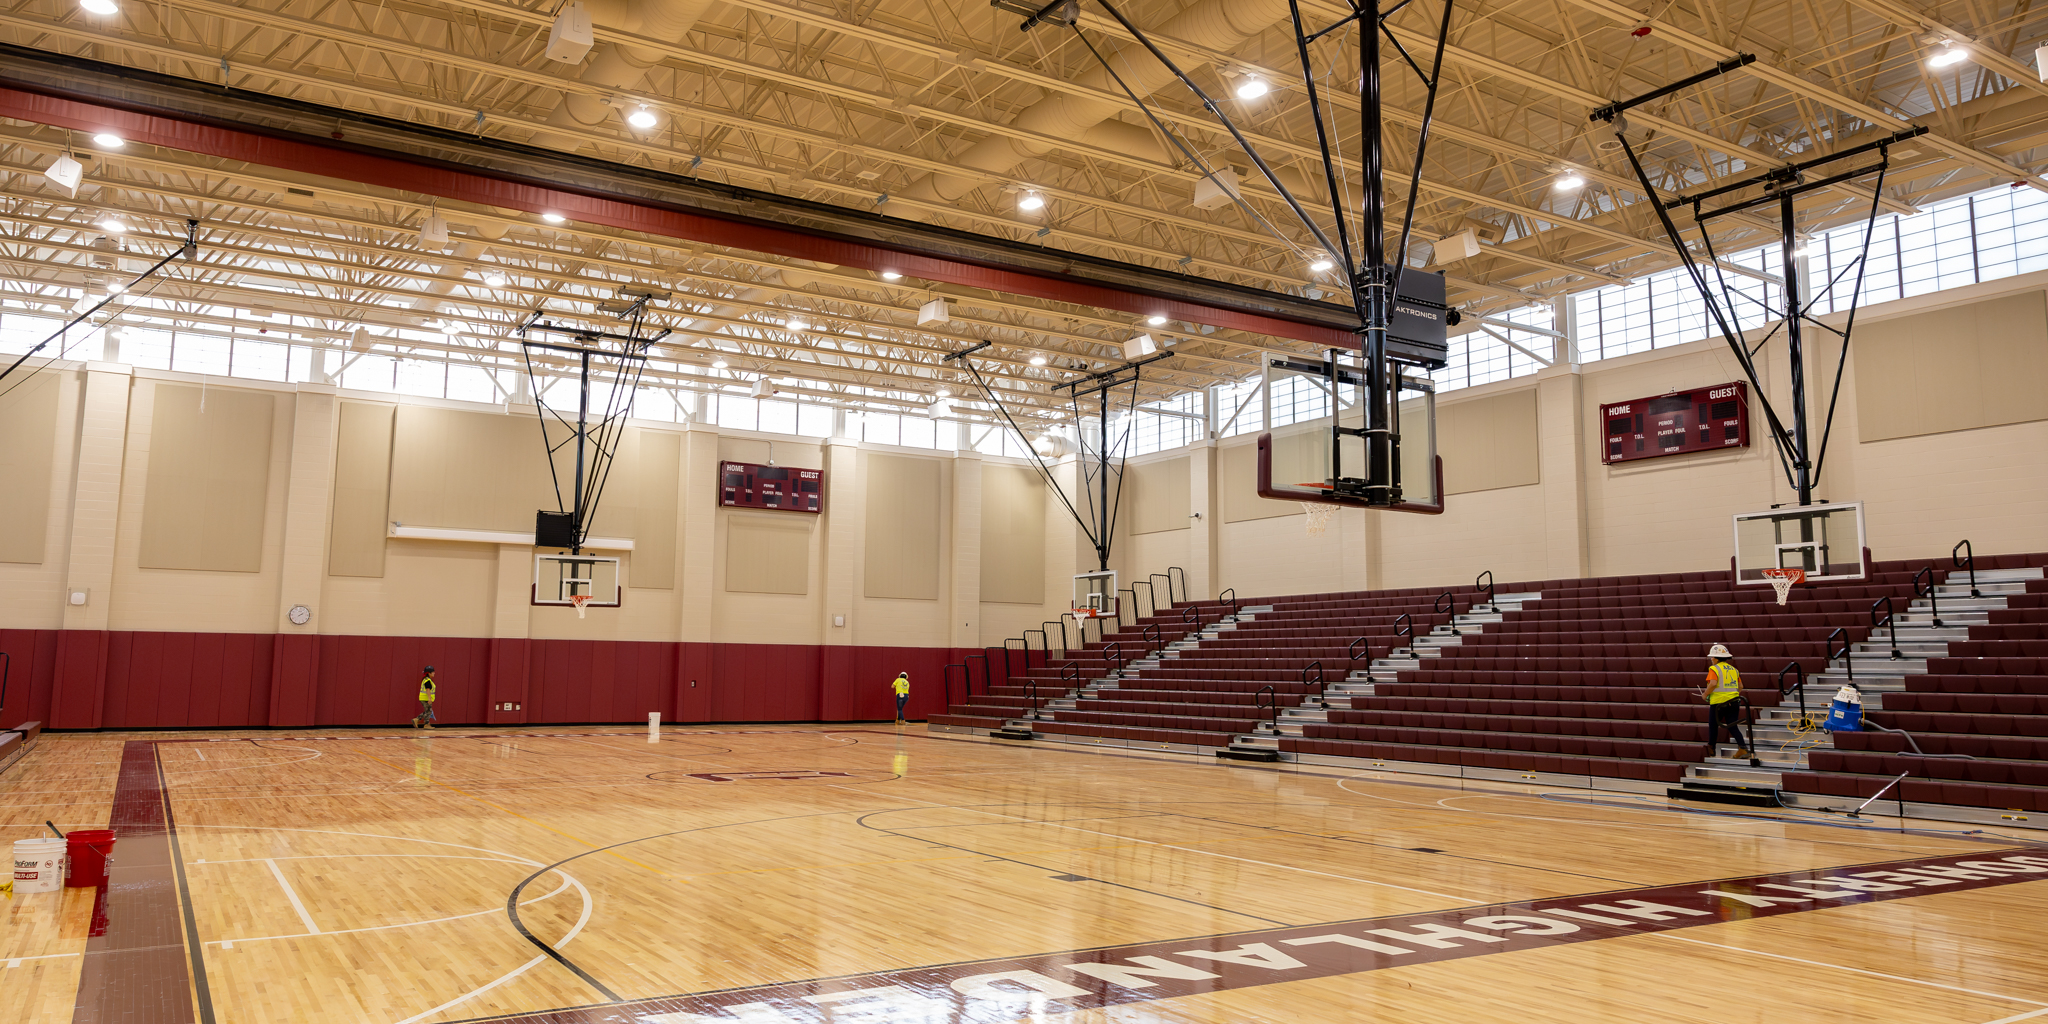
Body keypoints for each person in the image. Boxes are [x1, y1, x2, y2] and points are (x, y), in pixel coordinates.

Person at [1700, 644, 1757, 764]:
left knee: (1713, 725)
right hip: (1734, 702)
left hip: (1718, 703)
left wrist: (1705, 694)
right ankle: (1742, 748)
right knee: (1732, 725)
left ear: (1715, 658)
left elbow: (1713, 683)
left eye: (1712, 658)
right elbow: (1740, 686)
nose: (1711, 660)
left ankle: (1711, 748)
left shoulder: (1714, 669)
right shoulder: (1734, 670)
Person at [412, 665, 437, 729]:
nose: (434, 673)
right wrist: (429, 698)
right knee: (428, 711)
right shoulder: (427, 680)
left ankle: (426, 724)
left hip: (424, 698)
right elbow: (428, 689)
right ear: (429, 673)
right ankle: (418, 720)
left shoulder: (427, 679)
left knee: (428, 711)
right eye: (433, 672)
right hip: (425, 698)